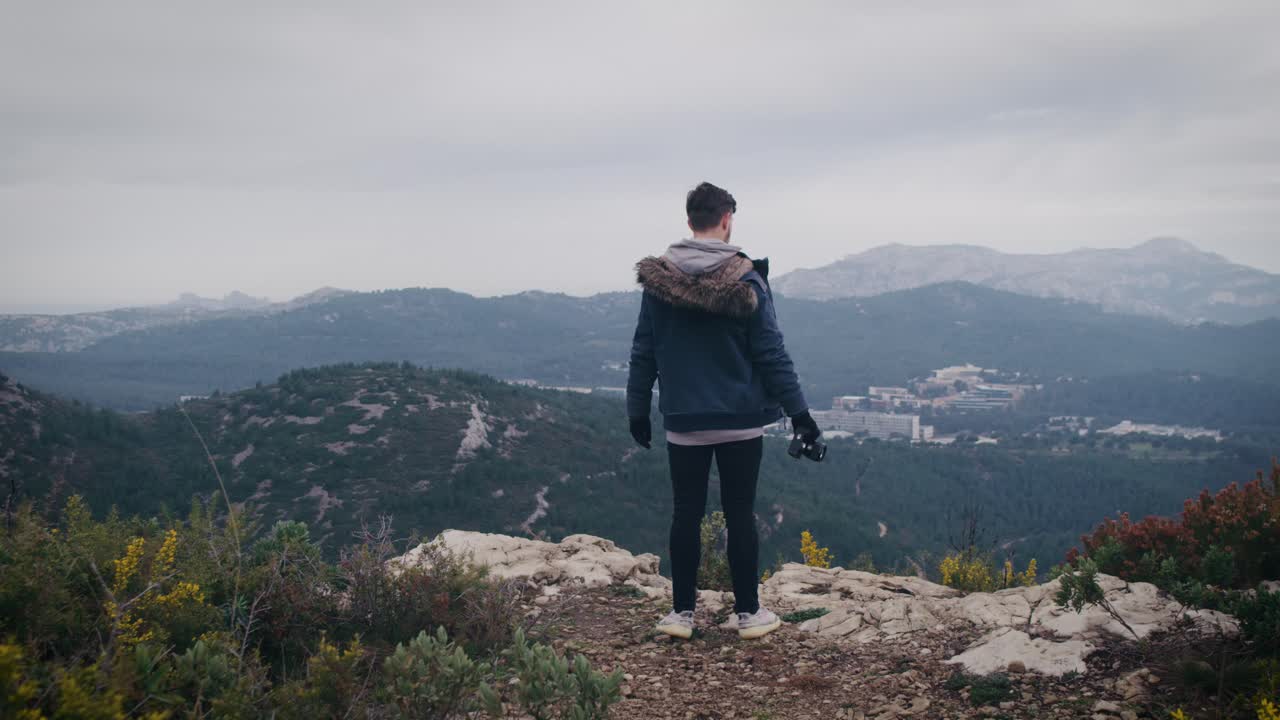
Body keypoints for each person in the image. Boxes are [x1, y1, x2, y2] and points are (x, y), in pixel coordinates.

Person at [626, 181, 821, 640]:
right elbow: (771, 355)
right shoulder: (746, 278)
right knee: (739, 513)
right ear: (727, 219)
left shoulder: (658, 281)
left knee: (685, 513)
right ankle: (749, 613)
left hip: (684, 420)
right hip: (739, 421)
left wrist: (637, 409)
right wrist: (801, 415)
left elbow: (643, 351)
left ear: (689, 220)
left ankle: (681, 615)